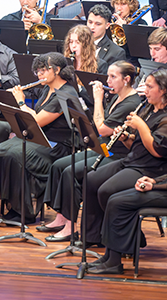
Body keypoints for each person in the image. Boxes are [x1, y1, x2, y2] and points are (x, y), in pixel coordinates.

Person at [87, 87, 167, 275]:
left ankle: (114, 261)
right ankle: (109, 257)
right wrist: (152, 179)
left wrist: (154, 185)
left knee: (117, 202)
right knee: (115, 198)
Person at [80, 68, 167, 246]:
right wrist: (126, 137)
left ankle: (130, 238)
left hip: (151, 168)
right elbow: (136, 145)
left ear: (163, 90)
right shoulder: (149, 109)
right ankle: (92, 236)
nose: (145, 91)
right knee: (90, 179)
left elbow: (158, 151)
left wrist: (141, 126)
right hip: (133, 161)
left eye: (150, 87)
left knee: (106, 191)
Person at [40, 61, 142, 240]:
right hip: (102, 148)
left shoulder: (130, 102)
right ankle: (61, 217)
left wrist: (97, 99)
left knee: (71, 172)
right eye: (108, 76)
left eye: (113, 77)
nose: (108, 81)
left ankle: (71, 226)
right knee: (58, 166)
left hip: (116, 154)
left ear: (126, 80)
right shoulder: (117, 95)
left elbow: (102, 129)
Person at [0, 52, 79, 223]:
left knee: (15, 155)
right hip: (39, 138)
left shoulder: (66, 93)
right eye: (38, 71)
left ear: (56, 70)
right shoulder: (47, 89)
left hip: (57, 145)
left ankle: (23, 212)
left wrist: (20, 102)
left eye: (43, 70)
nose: (39, 74)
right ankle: (9, 207)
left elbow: (36, 121)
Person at [86, 5, 126, 73]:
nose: (92, 27)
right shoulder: (77, 43)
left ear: (107, 25)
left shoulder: (117, 53)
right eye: (90, 22)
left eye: (97, 24)